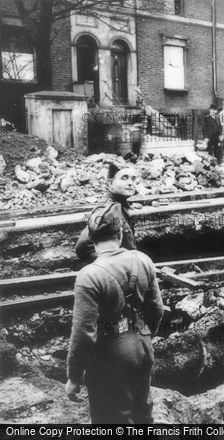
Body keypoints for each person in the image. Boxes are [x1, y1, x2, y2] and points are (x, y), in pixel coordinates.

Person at [65, 203, 164, 423]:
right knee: (143, 414)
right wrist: (145, 336)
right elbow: (156, 309)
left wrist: (73, 377)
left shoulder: (89, 276)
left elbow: (84, 333)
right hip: (142, 346)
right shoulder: (142, 259)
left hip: (110, 357)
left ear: (91, 238)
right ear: (120, 233)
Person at [76, 164, 138, 263]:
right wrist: (108, 265)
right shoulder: (109, 209)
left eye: (133, 179)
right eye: (124, 178)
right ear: (110, 183)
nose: (130, 183)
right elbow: (82, 248)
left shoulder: (120, 204)